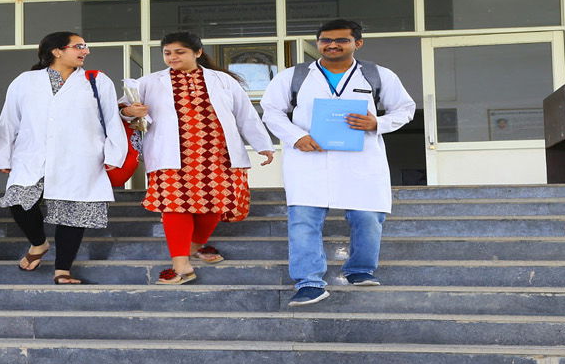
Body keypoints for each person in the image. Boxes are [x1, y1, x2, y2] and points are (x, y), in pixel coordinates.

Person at [260, 18, 416, 306]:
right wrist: (295, 136)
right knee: (303, 221)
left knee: (368, 217)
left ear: (357, 43)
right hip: (308, 157)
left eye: (341, 40)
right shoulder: (293, 76)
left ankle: (360, 269)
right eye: (325, 40)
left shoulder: (377, 75)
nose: (332, 45)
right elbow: (271, 110)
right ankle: (309, 282)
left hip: (361, 159)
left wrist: (377, 123)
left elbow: (406, 109)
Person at [122, 32, 275, 285]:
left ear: (198, 53)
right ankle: (181, 265)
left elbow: (245, 115)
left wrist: (263, 145)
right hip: (172, 155)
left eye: (179, 52)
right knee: (174, 206)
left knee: (215, 205)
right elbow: (124, 109)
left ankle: (194, 246)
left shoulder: (223, 80)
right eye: (167, 53)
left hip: (218, 154)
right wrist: (129, 111)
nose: (172, 57)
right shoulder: (149, 82)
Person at [0, 31, 128, 284]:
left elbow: (111, 118)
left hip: (81, 156)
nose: (85, 51)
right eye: (79, 46)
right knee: (19, 202)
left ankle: (62, 270)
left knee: (73, 212)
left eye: (86, 47)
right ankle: (39, 244)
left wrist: (114, 153)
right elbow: (9, 120)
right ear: (57, 51)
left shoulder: (97, 80)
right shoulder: (26, 80)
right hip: (32, 154)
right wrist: (3, 157)